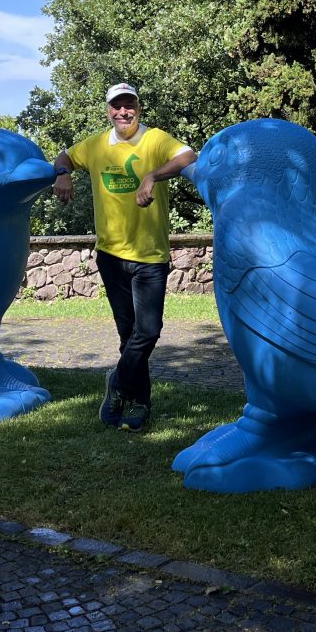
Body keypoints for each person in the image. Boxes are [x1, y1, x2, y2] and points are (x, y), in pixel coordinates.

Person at [52, 82, 198, 431]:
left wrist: (152, 175)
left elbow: (189, 156)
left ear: (138, 108)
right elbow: (65, 156)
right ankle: (139, 403)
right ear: (108, 110)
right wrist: (63, 173)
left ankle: (117, 383)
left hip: (150, 255)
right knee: (128, 333)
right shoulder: (96, 144)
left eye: (128, 105)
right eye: (116, 106)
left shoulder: (155, 139)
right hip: (111, 255)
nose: (122, 112)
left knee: (148, 330)